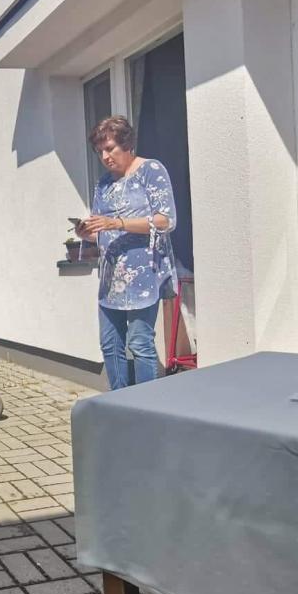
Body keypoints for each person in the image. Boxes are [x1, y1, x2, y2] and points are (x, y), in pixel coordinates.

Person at [76, 115, 178, 390]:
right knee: (109, 344)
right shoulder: (103, 184)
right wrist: (87, 233)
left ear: (127, 144)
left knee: (140, 342)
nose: (105, 157)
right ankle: (118, 401)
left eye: (110, 148)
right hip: (111, 278)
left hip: (143, 274)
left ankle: (146, 405)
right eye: (100, 151)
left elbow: (166, 220)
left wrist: (117, 223)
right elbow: (102, 228)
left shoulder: (150, 170)